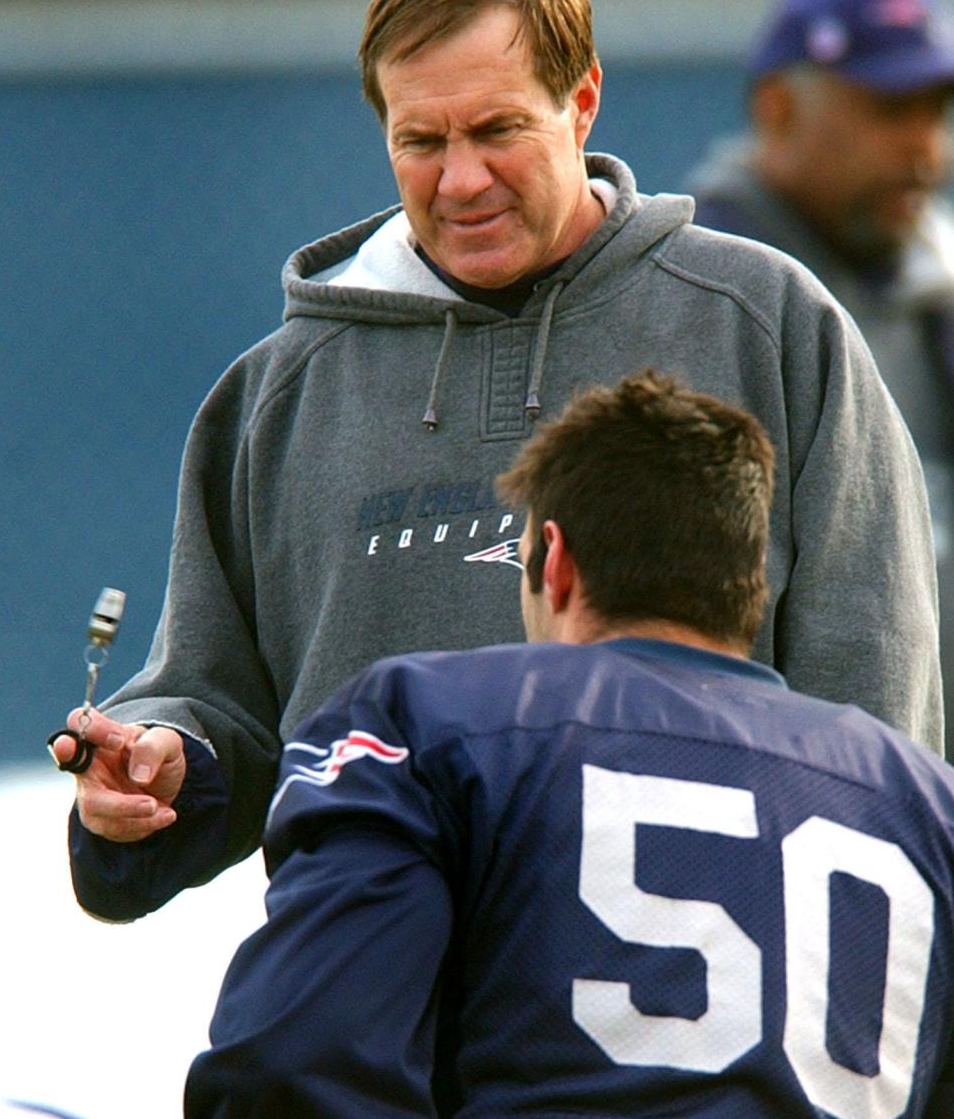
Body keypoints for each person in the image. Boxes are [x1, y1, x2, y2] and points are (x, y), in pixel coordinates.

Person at [52, 0, 942, 924]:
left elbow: (877, 714)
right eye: (421, 141)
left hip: (689, 1027)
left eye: (496, 130)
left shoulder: (766, 327)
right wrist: (159, 765)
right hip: (375, 1027)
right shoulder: (277, 394)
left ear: (583, 102)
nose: (460, 179)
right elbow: (216, 709)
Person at [185, 370, 954, 1118]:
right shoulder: (928, 806)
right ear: (742, 572)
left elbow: (295, 1065)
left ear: (554, 562)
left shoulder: (431, 720)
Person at [684, 0, 954, 755]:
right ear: (777, 110)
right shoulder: (702, 301)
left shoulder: (936, 289)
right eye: (888, 109)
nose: (925, 149)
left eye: (935, 110)